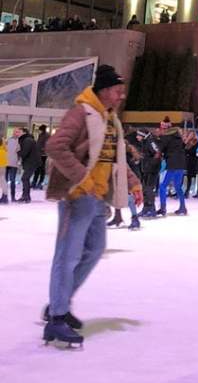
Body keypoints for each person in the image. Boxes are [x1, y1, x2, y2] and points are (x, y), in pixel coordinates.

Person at [43, 65, 142, 346]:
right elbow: (55, 146)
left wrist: (133, 182)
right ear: (104, 90)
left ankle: (59, 303)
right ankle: (57, 318)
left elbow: (113, 158)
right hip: (77, 196)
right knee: (67, 256)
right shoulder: (82, 113)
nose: (121, 95)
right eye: (117, 90)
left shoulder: (110, 118)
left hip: (98, 198)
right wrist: (81, 178)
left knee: (95, 250)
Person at [156, 120, 188, 216]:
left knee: (162, 186)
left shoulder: (166, 138)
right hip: (180, 164)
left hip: (172, 164)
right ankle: (183, 207)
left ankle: (163, 208)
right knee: (178, 186)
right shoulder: (179, 140)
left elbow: (160, 148)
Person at [18, 127, 42, 203]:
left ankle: (26, 196)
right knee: (25, 178)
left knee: (24, 178)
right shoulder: (26, 139)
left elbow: (24, 152)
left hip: (31, 162)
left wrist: (17, 152)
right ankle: (26, 196)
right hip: (30, 162)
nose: (18, 134)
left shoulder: (27, 140)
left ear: (24, 132)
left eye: (19, 132)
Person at [32, 124, 49, 189]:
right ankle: (34, 182)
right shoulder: (40, 135)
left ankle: (40, 183)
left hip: (43, 155)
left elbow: (47, 144)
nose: (39, 131)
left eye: (39, 130)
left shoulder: (47, 135)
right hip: (38, 154)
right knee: (37, 168)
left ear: (42, 130)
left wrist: (43, 149)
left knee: (42, 169)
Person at [6, 128, 20, 202]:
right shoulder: (8, 140)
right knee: (5, 181)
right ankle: (4, 196)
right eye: (15, 132)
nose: (16, 133)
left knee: (12, 180)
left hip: (14, 163)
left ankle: (13, 197)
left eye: (18, 132)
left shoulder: (20, 141)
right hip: (6, 162)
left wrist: (19, 161)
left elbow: (20, 152)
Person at [0, 136, 8, 204]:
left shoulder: (1, 150)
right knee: (2, 181)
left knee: (2, 181)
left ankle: (5, 196)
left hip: (1, 166)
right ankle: (5, 196)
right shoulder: (3, 149)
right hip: (3, 166)